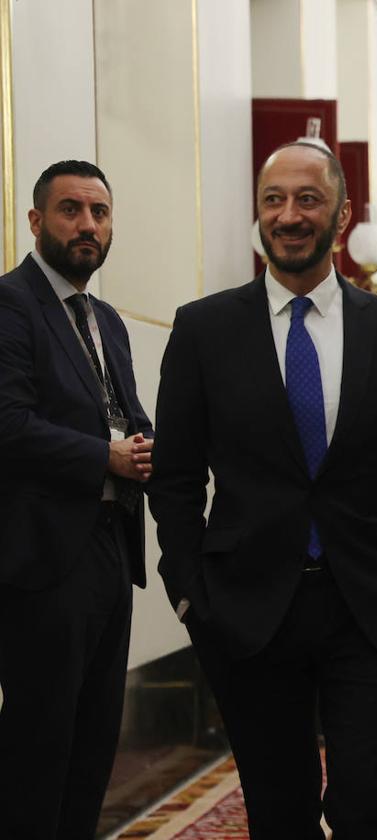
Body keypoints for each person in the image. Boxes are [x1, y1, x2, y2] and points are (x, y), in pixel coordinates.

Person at [149, 141, 377, 839]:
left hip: (367, 607)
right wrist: (190, 589)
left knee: (366, 804)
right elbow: (175, 477)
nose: (289, 215)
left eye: (308, 199)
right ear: (258, 216)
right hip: (248, 609)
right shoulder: (203, 329)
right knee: (279, 811)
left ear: (341, 218)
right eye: (274, 200)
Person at [0, 160, 154, 839]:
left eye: (99, 213)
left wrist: (150, 447)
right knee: (40, 744)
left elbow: (124, 414)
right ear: (36, 222)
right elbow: (7, 423)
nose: (87, 225)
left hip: (107, 548)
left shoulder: (107, 320)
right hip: (41, 560)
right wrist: (105, 456)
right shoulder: (11, 304)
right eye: (71, 210)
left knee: (95, 740)